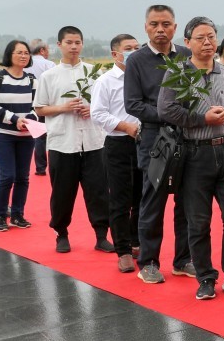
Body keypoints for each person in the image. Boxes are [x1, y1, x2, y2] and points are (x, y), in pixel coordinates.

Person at [158, 16, 224, 300]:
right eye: (200, 37)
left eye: (211, 36)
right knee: (198, 221)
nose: (207, 42)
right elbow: (166, 110)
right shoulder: (177, 73)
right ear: (187, 43)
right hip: (193, 153)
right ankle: (205, 277)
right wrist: (202, 118)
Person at [123, 4, 193, 284]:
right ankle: (149, 262)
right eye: (154, 24)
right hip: (155, 138)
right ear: (146, 27)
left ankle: (183, 259)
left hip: (188, 136)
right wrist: (169, 114)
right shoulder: (137, 60)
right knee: (153, 200)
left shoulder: (187, 55)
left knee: (187, 201)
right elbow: (133, 104)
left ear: (175, 27)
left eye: (166, 24)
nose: (160, 29)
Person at [33, 27, 112, 254]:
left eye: (78, 42)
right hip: (62, 143)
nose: (74, 46)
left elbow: (105, 105)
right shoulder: (49, 76)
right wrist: (64, 107)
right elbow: (40, 108)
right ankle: (61, 234)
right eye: (69, 42)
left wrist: (92, 110)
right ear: (59, 45)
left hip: (93, 141)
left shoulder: (94, 73)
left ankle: (101, 235)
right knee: (62, 193)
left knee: (98, 192)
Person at [90, 34, 142, 273]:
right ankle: (122, 251)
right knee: (121, 199)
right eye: (128, 48)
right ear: (115, 54)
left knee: (143, 197)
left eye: (137, 47)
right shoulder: (106, 81)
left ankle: (136, 241)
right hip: (119, 143)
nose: (134, 51)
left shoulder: (143, 76)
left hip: (145, 144)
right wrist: (125, 126)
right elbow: (98, 114)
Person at [0, 40, 38, 232]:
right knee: (7, 175)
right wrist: (15, 119)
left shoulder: (31, 79)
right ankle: (0, 215)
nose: (24, 56)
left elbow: (37, 105)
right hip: (2, 133)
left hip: (26, 134)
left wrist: (30, 119)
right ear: (9, 54)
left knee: (23, 177)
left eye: (26, 53)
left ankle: (17, 214)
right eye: (19, 52)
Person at [25, 39, 56, 176]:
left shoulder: (24, 64)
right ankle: (54, 165)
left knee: (38, 136)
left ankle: (40, 167)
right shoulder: (49, 64)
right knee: (52, 134)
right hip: (47, 104)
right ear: (42, 50)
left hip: (28, 104)